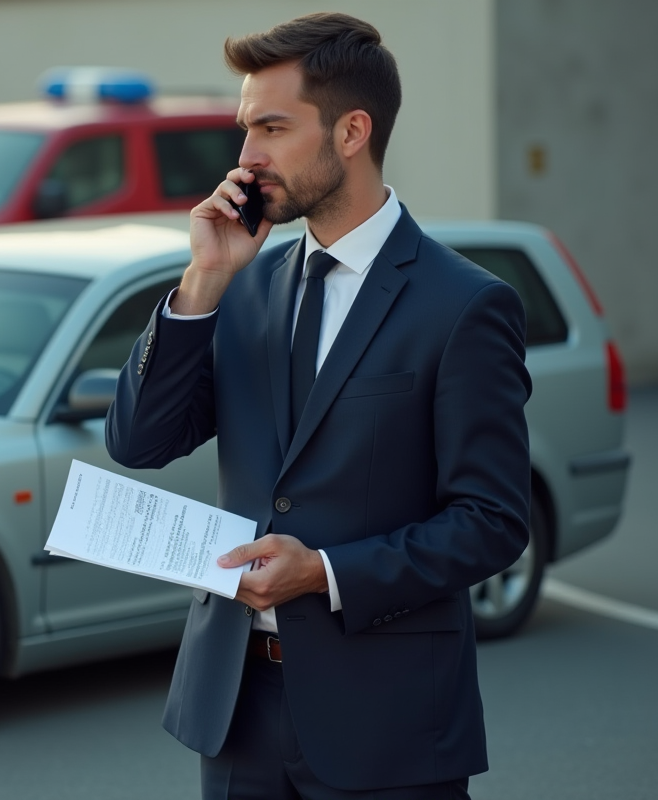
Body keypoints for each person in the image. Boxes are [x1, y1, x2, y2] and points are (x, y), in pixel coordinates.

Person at [105, 12, 532, 800]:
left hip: (388, 725)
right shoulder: (242, 287)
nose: (245, 157)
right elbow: (139, 440)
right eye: (244, 129)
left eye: (271, 126)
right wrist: (201, 283)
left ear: (350, 132)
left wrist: (325, 574)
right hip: (235, 713)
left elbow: (493, 520)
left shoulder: (465, 306)